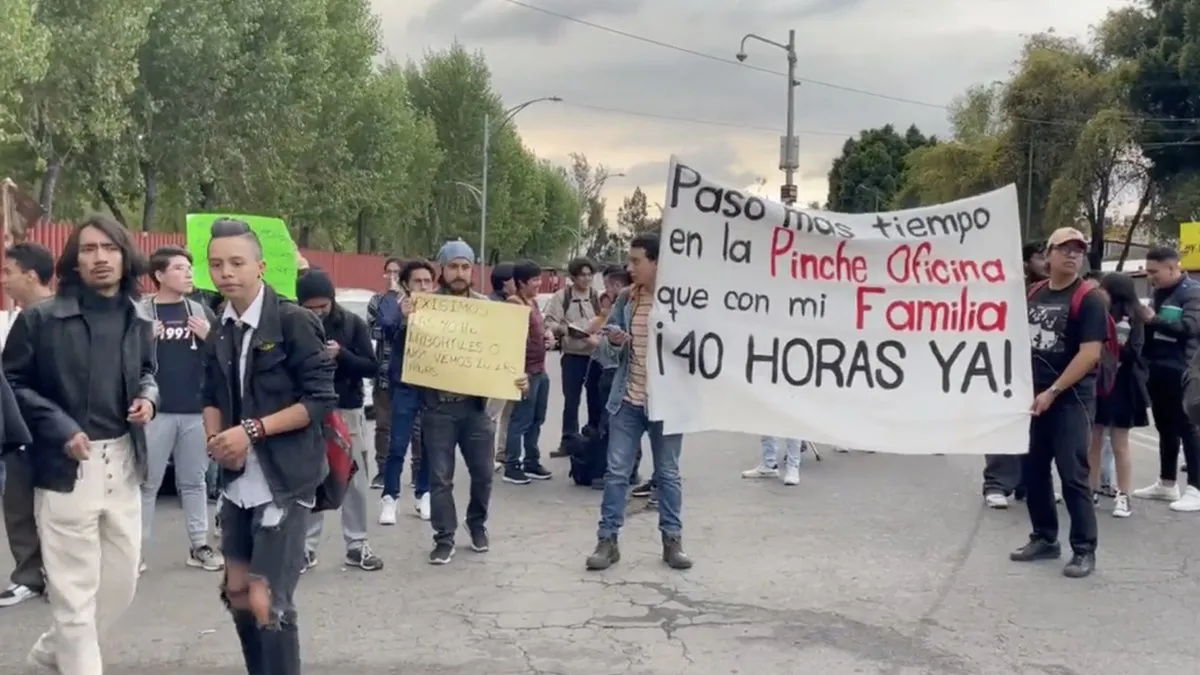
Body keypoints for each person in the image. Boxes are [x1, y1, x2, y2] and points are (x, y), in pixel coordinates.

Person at [4, 215, 158, 672]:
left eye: (109, 248)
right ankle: (73, 657)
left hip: (124, 461)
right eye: (89, 249)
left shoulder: (138, 316)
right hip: (66, 467)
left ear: (124, 255)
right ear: (75, 260)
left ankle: (52, 653)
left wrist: (148, 398)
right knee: (74, 596)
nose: (100, 258)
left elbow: (149, 372)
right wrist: (59, 426)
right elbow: (10, 383)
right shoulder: (41, 319)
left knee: (121, 584)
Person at [202, 218, 337, 675]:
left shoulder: (294, 321)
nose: (227, 272)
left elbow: (318, 400)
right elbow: (210, 395)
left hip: (286, 477)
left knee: (266, 597)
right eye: (217, 264)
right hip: (238, 481)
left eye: (237, 262)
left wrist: (251, 432)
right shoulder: (219, 324)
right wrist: (217, 441)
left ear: (260, 266)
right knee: (237, 591)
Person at [586, 233, 692, 571]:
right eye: (629, 261)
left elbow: (699, 349)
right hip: (628, 400)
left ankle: (672, 541)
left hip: (667, 404)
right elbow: (604, 351)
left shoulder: (685, 300)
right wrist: (615, 341)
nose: (630, 268)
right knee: (617, 472)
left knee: (668, 474)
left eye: (636, 261)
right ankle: (607, 541)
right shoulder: (627, 300)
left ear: (658, 262)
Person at [418, 240, 527, 564]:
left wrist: (519, 378)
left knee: (483, 473)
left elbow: (507, 357)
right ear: (443, 269)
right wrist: (406, 319)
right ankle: (444, 537)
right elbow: (403, 350)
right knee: (440, 478)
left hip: (476, 409)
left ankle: (476, 523)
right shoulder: (424, 307)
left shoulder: (490, 310)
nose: (459, 272)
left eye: (465, 266)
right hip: (438, 408)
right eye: (453, 266)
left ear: (473, 270)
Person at [1012, 227, 1104, 579]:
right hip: (1032, 396)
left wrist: (1053, 391)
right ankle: (1045, 538)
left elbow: (1090, 354)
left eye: (1078, 250)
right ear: (1048, 255)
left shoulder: (1089, 298)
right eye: (1064, 249)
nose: (1072, 255)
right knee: (1033, 471)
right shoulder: (1034, 292)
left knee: (1073, 475)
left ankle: (1084, 550)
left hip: (1069, 400)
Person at [138, 246, 224, 573]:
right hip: (156, 410)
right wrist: (144, 340)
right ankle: (136, 550)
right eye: (179, 268)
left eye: (189, 267)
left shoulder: (200, 311)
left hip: (194, 410)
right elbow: (121, 360)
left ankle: (199, 544)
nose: (188, 273)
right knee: (148, 482)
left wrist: (209, 337)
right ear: (159, 275)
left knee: (194, 481)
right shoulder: (140, 313)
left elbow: (223, 355)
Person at [296, 269, 383, 572]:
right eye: (310, 308)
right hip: (306, 410)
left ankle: (357, 543)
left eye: (323, 306)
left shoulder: (351, 323)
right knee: (311, 477)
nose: (318, 313)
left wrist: (341, 355)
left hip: (346, 408)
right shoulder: (293, 324)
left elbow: (372, 367)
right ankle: (305, 547)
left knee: (354, 477)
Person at [0, 241, 53, 608]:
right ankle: (29, 575)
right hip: (16, 428)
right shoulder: (11, 318)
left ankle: (63, 575)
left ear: (31, 275)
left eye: (8, 272)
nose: (3, 280)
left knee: (59, 509)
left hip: (55, 427)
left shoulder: (60, 316)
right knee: (17, 504)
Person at [1132, 246, 1200, 511]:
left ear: (1172, 267)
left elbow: (1192, 328)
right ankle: (1167, 482)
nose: (1150, 277)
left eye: (1154, 272)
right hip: (1157, 368)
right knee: (1165, 427)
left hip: (1183, 367)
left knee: (1187, 427)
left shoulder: (1192, 292)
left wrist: (1154, 319)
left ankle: (1196, 487)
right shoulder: (1159, 292)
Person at [982, 241, 1048, 508]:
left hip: (1040, 368)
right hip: (1004, 364)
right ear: (1026, 261)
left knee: (1037, 428)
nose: (1045, 261)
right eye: (1040, 256)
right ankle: (997, 483)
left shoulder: (1054, 290)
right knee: (1004, 422)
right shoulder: (1009, 286)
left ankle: (1030, 483)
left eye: (1048, 255)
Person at [376, 259, 436, 524]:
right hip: (404, 386)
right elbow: (385, 327)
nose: (423, 286)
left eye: (427, 281)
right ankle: (390, 497)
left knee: (429, 444)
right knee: (398, 444)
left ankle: (424, 493)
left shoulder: (443, 307)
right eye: (417, 281)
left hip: (432, 386)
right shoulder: (395, 304)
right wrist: (403, 315)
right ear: (406, 284)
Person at [1087, 273, 1148, 518]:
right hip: (1108, 383)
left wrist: (1114, 352)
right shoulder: (1103, 313)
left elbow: (1134, 352)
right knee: (1101, 439)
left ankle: (1119, 494)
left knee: (1110, 441)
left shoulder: (1132, 318)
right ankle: (1097, 491)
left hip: (1118, 385)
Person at [502, 260, 553, 485]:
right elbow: (512, 338)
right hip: (526, 372)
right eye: (534, 280)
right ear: (521, 282)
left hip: (540, 369)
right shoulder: (514, 303)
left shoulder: (532, 302)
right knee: (520, 420)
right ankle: (512, 465)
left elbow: (537, 330)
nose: (538, 284)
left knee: (536, 419)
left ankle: (531, 461)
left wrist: (548, 335)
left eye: (539, 279)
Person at [544, 258, 602, 457]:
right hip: (572, 356)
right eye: (582, 275)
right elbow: (549, 322)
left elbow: (607, 318)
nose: (586, 279)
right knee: (571, 401)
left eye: (589, 275)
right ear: (573, 277)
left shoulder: (597, 296)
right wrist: (567, 330)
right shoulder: (562, 296)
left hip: (594, 356)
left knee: (595, 399)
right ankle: (568, 441)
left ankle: (594, 438)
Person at [366, 257, 403, 489]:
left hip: (410, 376)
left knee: (417, 430)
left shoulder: (413, 301)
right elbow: (375, 330)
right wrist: (391, 306)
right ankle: (383, 470)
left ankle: (419, 473)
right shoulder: (376, 301)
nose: (392, 277)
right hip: (383, 374)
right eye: (388, 272)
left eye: (397, 273)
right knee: (383, 426)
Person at [486, 262, 516, 468]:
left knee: (508, 413)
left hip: (511, 366)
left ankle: (502, 452)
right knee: (492, 414)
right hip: (496, 367)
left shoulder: (511, 302)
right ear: (506, 282)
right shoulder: (495, 305)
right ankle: (488, 456)